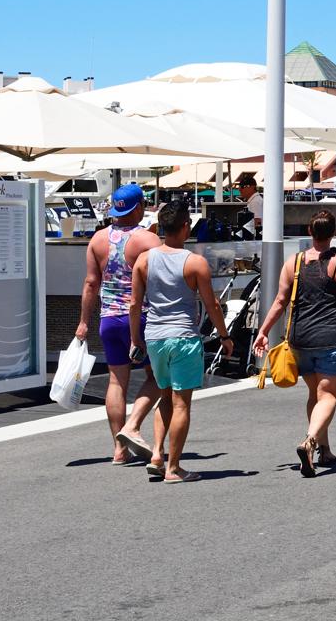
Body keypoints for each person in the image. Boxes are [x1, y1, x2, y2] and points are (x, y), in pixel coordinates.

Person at [252, 209, 336, 477]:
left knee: (315, 395)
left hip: (301, 339)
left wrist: (263, 331)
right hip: (331, 338)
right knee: (329, 397)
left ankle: (325, 450)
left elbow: (280, 301)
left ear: (309, 233)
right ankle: (310, 441)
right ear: (333, 234)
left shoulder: (295, 262)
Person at [127, 200, 232, 483]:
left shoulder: (144, 260)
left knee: (164, 396)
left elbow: (135, 304)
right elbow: (212, 306)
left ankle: (158, 455)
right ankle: (173, 468)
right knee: (182, 403)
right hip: (183, 337)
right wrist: (224, 335)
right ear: (185, 227)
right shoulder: (195, 263)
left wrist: (135, 338)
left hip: (155, 337)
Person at [75, 183, 165, 465]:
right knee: (157, 377)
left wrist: (82, 323)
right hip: (141, 317)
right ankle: (132, 426)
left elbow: (91, 283)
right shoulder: (146, 241)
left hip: (108, 319)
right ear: (138, 207)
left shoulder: (97, 240)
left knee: (116, 380)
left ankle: (119, 449)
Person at [236, 172, 264, 240]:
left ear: (252, 187)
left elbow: (257, 222)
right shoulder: (255, 200)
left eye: (243, 186)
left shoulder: (255, 202)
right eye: (239, 187)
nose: (240, 189)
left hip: (256, 238)